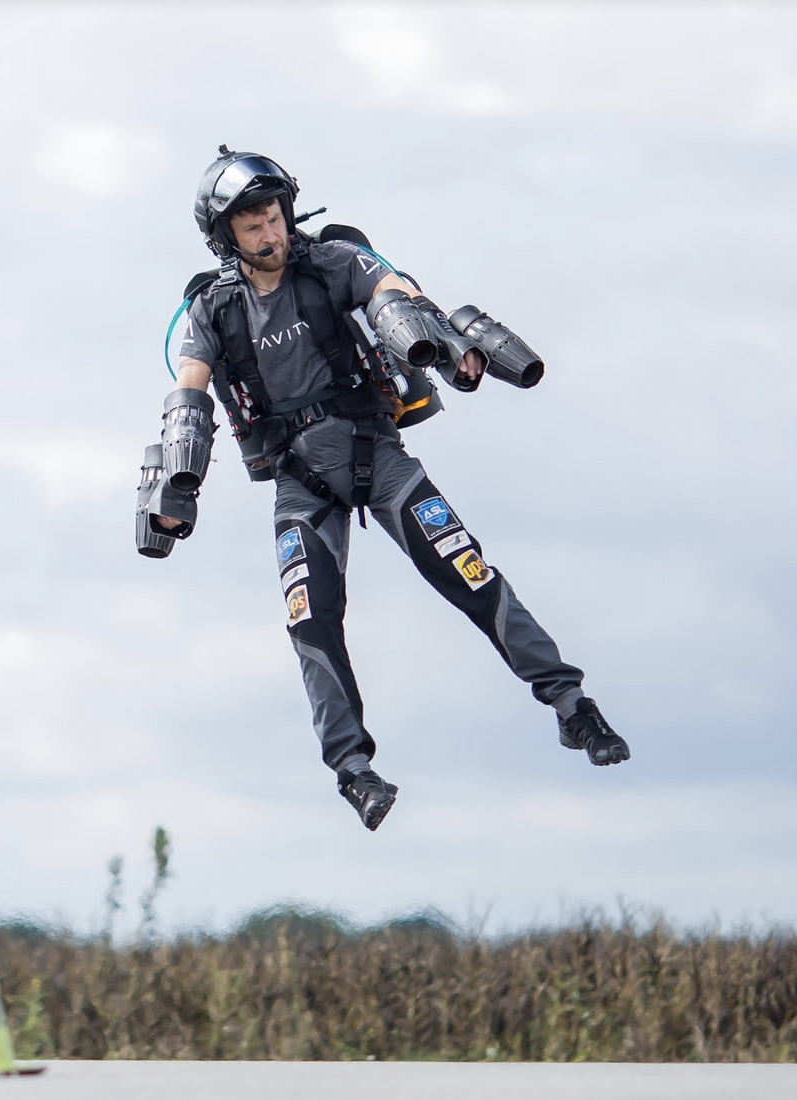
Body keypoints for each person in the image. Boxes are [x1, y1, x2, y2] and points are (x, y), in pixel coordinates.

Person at [141, 148, 629, 832]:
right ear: (226, 235)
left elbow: (391, 294)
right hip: (300, 483)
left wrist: (441, 341)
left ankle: (572, 707)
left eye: (273, 213)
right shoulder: (211, 310)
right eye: (251, 222)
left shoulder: (337, 262)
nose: (269, 230)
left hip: (379, 456)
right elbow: (189, 383)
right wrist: (176, 486)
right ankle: (354, 770)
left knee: (470, 572)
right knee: (311, 621)